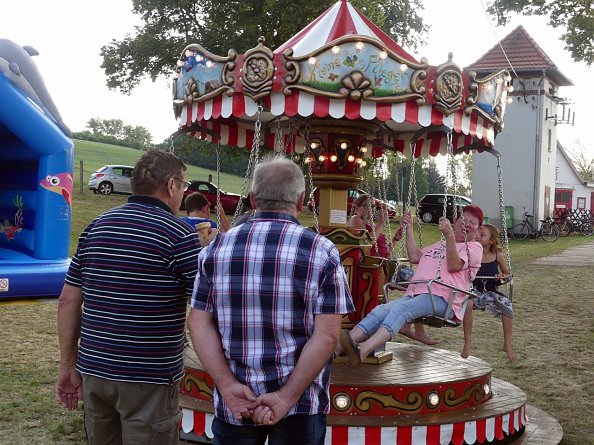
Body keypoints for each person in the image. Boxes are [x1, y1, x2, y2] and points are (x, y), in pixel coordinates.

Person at [188, 156, 354, 445]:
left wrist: (228, 386)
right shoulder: (321, 251)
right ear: (301, 201)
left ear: (253, 199)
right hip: (300, 403)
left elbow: (198, 323)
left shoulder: (216, 249)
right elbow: (327, 336)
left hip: (237, 399)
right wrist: (286, 396)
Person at [56, 150, 215, 445]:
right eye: (183, 186)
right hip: (149, 378)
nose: (183, 193)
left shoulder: (95, 226)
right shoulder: (178, 235)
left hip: (94, 371)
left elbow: (68, 300)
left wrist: (67, 364)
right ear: (171, 185)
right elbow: (206, 305)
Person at [338, 206, 484, 366]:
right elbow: (415, 256)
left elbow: (454, 265)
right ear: (455, 222)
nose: (467, 224)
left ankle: (363, 349)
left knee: (401, 310)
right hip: (416, 293)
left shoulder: (474, 248)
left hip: (442, 298)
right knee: (381, 311)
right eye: (463, 220)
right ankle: (341, 347)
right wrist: (409, 230)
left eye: (473, 222)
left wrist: (449, 235)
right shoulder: (438, 245)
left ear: (478, 230)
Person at [461, 223, 516, 362]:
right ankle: (468, 342)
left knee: (507, 305)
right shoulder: (471, 252)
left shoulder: (497, 255)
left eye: (482, 234)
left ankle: (507, 345)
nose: (478, 236)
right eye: (477, 234)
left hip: (491, 291)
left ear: (491, 240)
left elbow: (506, 273)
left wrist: (501, 277)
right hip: (475, 290)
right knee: (468, 303)